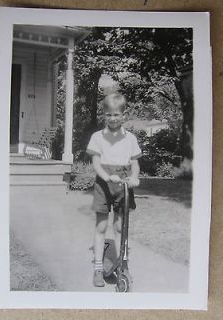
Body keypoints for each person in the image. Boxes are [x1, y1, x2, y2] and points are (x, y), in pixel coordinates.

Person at [86, 93, 142, 287]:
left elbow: (135, 164)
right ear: (104, 115)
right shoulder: (97, 137)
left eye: (116, 114)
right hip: (104, 183)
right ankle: (99, 268)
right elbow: (96, 163)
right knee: (101, 226)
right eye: (109, 115)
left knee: (120, 227)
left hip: (124, 183)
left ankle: (122, 265)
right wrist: (107, 176)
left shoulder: (131, 138)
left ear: (123, 115)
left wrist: (134, 177)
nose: (113, 118)